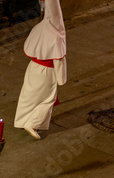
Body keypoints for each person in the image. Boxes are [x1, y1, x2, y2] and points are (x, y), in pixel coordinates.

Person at [14, 0, 67, 139]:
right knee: (47, 99)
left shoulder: (39, 27)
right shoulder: (57, 35)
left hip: (33, 67)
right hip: (47, 72)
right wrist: (61, 79)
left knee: (28, 97)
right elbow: (58, 59)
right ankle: (32, 123)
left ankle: (21, 120)